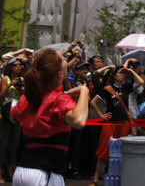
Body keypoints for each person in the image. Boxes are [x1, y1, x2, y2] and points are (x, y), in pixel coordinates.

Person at [10, 48, 89, 186]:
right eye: (63, 59)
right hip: (46, 172)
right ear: (60, 74)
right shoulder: (59, 100)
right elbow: (79, 120)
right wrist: (83, 91)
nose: (66, 59)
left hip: (22, 171)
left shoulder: (28, 98)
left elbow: (13, 115)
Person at [89, 60, 145, 186]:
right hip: (111, 123)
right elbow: (93, 102)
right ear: (114, 75)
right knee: (103, 152)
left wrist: (131, 71)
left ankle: (122, 179)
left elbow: (141, 82)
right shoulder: (107, 89)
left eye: (124, 73)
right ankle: (95, 179)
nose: (122, 75)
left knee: (123, 152)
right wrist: (101, 115)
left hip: (124, 123)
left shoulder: (127, 87)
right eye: (120, 73)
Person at [0, 58, 24, 182]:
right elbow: (1, 97)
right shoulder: (5, 79)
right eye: (16, 65)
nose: (19, 67)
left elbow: (26, 97)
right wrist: (10, 85)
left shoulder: (22, 80)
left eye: (20, 65)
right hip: (6, 112)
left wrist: (21, 89)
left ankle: (10, 173)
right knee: (2, 144)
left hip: (17, 113)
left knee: (13, 145)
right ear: (10, 67)